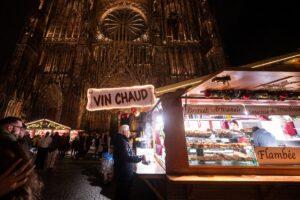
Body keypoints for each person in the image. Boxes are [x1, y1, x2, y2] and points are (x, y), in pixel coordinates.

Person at [0, 117, 43, 199]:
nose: (21, 131)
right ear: (10, 127)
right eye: (19, 128)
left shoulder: (14, 142)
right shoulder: (10, 145)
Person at [113, 124, 146, 200]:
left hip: (122, 170)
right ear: (123, 132)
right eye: (128, 131)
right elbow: (126, 157)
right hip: (123, 172)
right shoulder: (122, 142)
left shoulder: (121, 140)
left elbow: (126, 154)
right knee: (124, 192)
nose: (129, 132)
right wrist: (140, 158)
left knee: (121, 191)